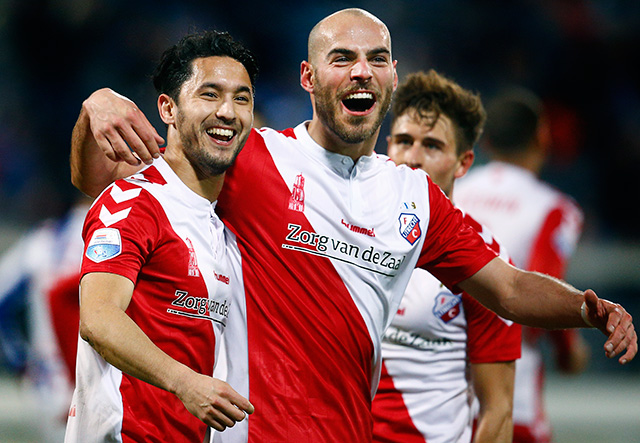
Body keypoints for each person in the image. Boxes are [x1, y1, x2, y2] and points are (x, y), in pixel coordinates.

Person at [68, 9, 636, 443]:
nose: (360, 70)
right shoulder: (252, 157)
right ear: (309, 77)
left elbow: (508, 289)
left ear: (392, 75)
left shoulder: (415, 197)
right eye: (342, 58)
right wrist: (95, 105)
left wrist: (588, 308)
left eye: (376, 58)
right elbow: (109, 186)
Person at [64, 30, 255, 442]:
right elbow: (98, 319)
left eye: (242, 98)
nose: (228, 111)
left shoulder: (229, 217)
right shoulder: (135, 199)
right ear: (167, 108)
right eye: (210, 94)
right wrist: (185, 382)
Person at [371, 70, 521, 443]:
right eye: (403, 141)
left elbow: (498, 411)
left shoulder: (485, 260)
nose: (412, 158)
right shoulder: (344, 231)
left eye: (432, 146)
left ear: (464, 163)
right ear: (387, 145)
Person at [455, 87, 591, 443]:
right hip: (511, 392)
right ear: (541, 138)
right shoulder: (554, 208)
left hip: (440, 389)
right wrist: (570, 353)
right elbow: (545, 287)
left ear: (485, 143)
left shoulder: (450, 190)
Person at [0, 196, 90, 442]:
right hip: (99, 385)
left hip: (48, 387)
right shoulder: (124, 237)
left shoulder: (41, 240)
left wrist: (21, 363)